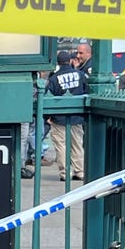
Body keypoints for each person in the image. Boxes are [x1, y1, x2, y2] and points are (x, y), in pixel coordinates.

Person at [45, 50, 88, 182]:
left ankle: (65, 173)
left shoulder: (53, 78)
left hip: (59, 117)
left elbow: (47, 97)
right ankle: (79, 171)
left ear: (58, 63)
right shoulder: (80, 75)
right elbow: (86, 91)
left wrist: (48, 116)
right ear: (70, 60)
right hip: (76, 116)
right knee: (77, 144)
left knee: (61, 145)